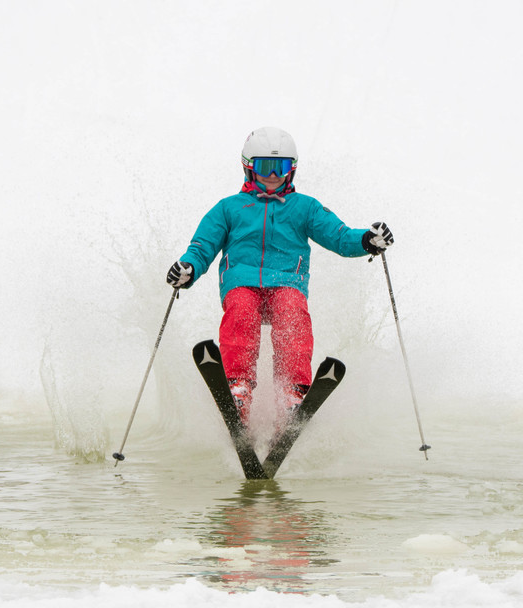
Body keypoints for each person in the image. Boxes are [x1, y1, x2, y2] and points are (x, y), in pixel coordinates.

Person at [167, 126, 393, 427]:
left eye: (281, 167)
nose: (273, 175)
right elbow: (202, 245)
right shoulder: (229, 209)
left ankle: (292, 393)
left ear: (292, 169)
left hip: (287, 281)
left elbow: (338, 235)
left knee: (291, 313)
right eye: (265, 166)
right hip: (242, 281)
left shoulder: (305, 208)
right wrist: (188, 268)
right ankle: (239, 389)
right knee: (242, 311)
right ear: (249, 167)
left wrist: (366, 239)